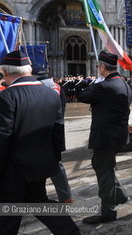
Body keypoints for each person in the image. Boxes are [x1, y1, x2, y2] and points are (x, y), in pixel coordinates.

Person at [0, 50, 79, 235]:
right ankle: (70, 231)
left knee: (9, 212)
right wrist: (52, 161)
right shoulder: (51, 94)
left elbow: (2, 138)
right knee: (38, 203)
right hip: (40, 164)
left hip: (13, 170)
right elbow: (58, 133)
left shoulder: (6, 98)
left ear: (5, 72)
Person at [78, 50, 132, 224]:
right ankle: (120, 196)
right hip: (118, 135)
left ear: (102, 67)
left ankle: (108, 211)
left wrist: (94, 83)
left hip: (105, 136)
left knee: (103, 171)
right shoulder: (124, 83)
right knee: (105, 167)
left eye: (98, 66)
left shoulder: (104, 86)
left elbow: (82, 95)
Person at [32, 65, 74, 203]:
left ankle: (38, 196)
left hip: (40, 130)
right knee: (56, 164)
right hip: (57, 130)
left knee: (38, 164)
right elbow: (63, 107)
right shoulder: (57, 87)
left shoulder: (37, 89)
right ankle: (65, 196)